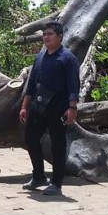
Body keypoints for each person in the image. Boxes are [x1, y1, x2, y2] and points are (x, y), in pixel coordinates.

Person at [19, 22, 80, 196]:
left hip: (58, 108)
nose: (46, 37)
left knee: (57, 145)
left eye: (50, 34)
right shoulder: (40, 57)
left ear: (59, 37)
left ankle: (56, 183)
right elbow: (31, 84)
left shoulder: (68, 59)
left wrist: (72, 108)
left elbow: (74, 85)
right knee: (30, 139)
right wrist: (24, 106)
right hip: (38, 106)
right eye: (44, 34)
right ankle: (38, 176)